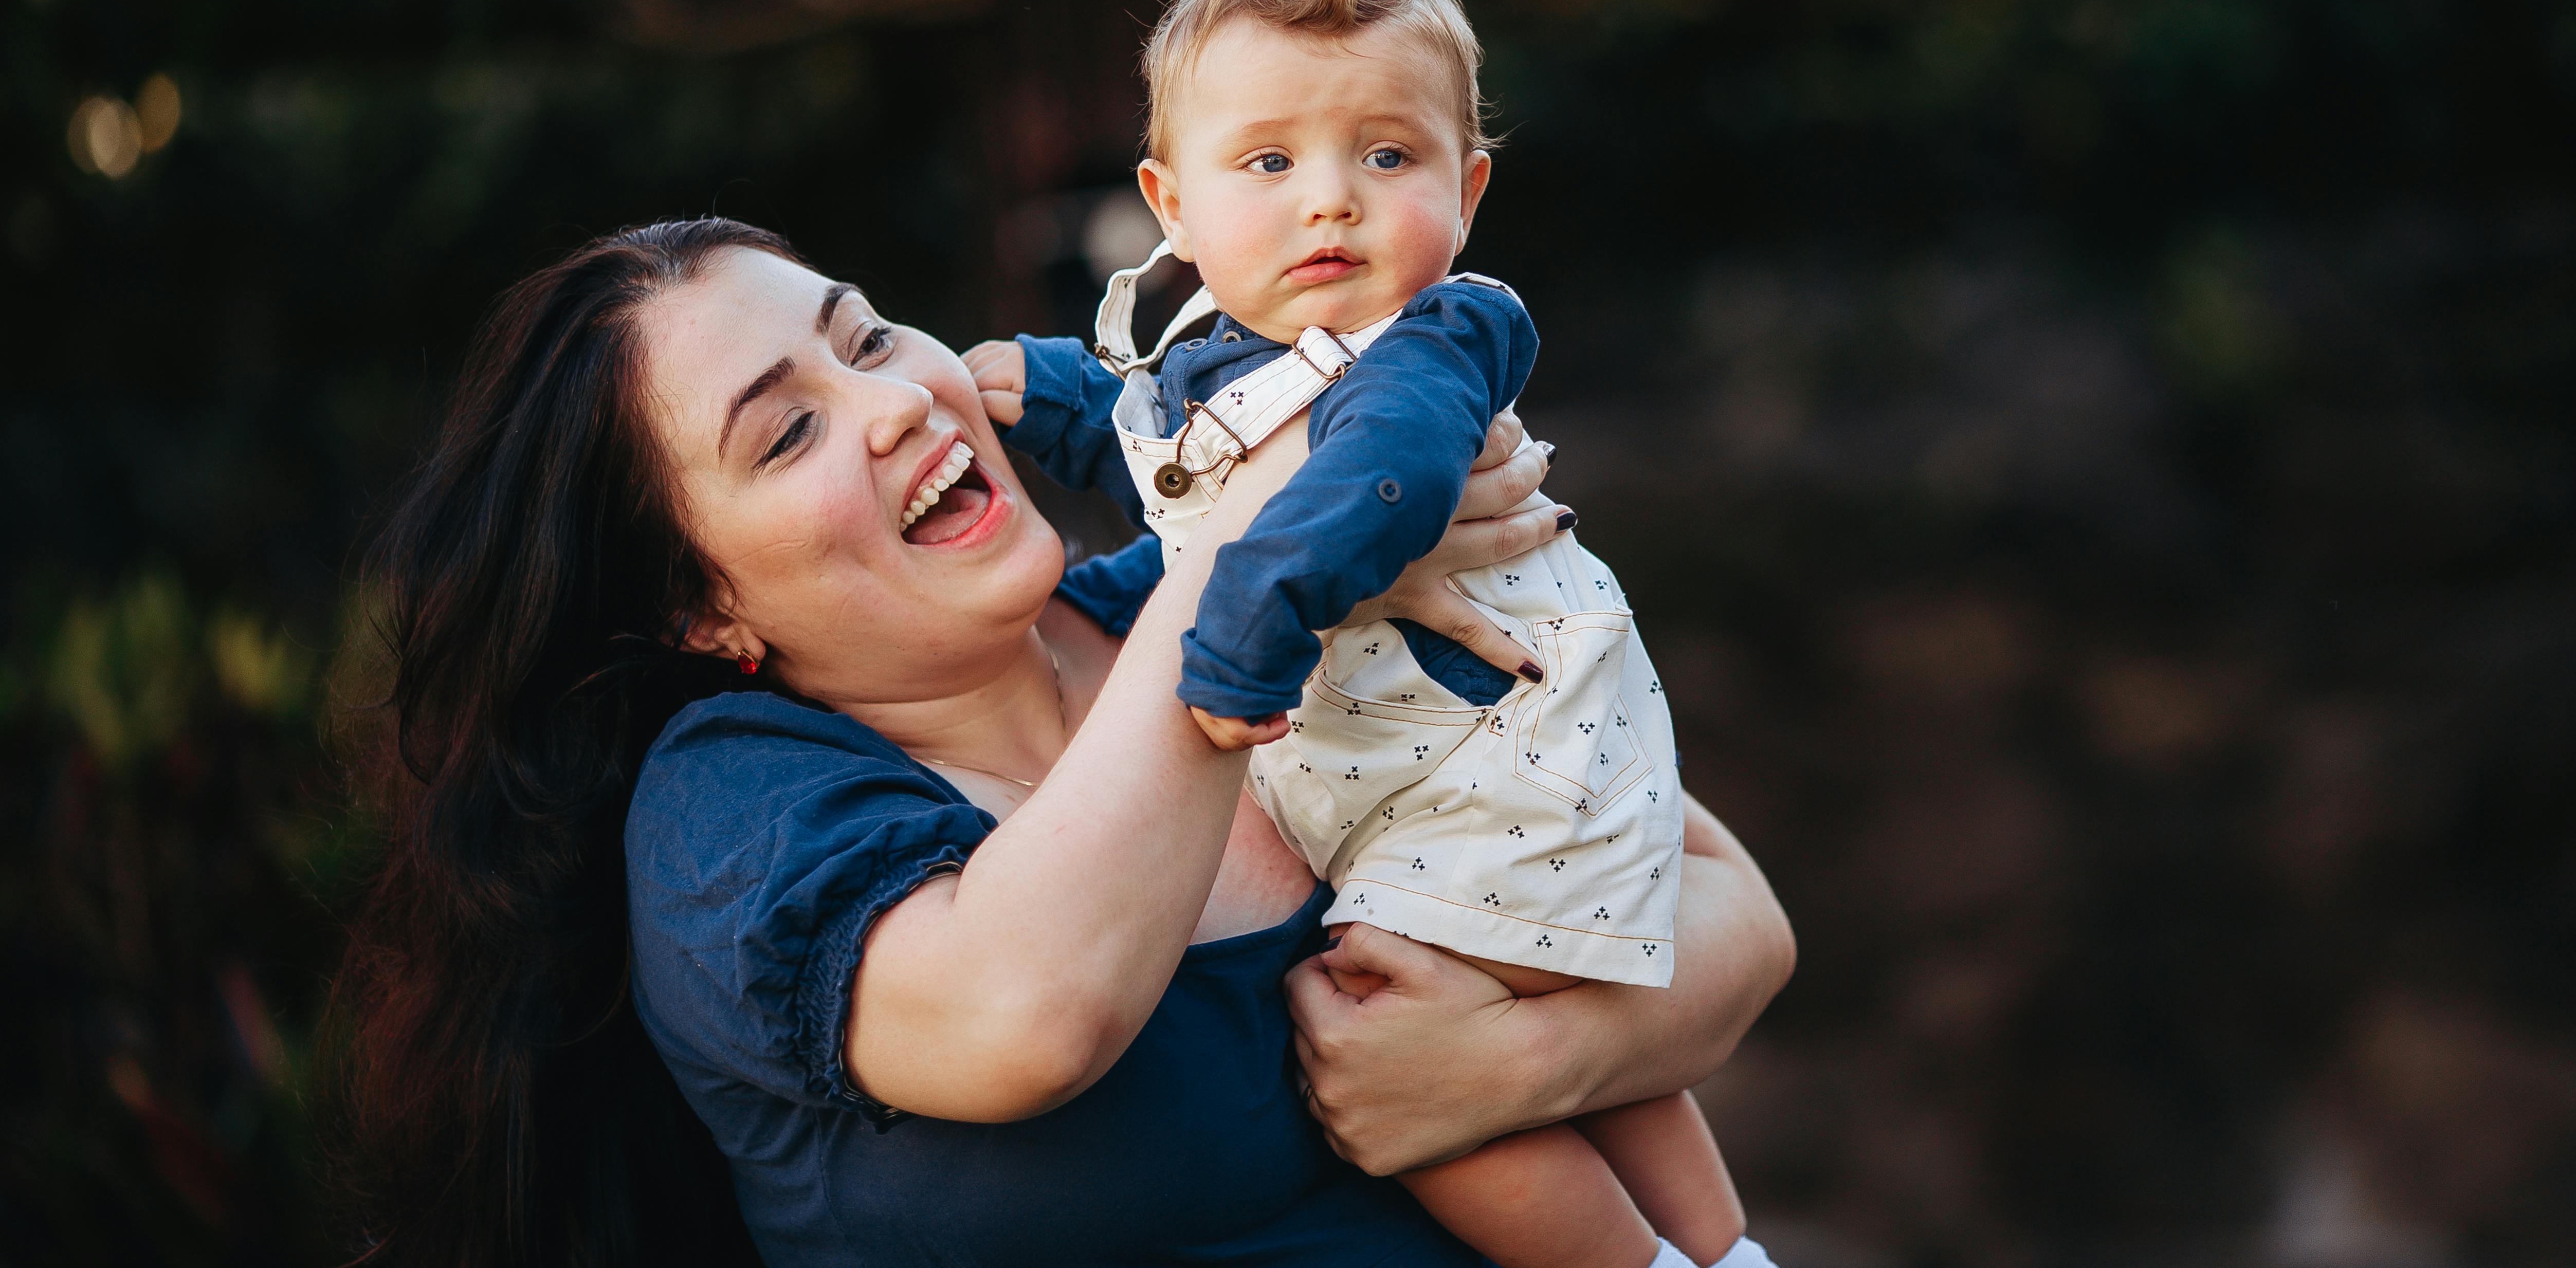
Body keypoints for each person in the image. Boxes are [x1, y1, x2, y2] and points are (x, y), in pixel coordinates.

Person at [326, 215, 1795, 1267]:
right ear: (699, 605)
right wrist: (1264, 544)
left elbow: (1726, 914)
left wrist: (1501, 1076)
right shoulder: (733, 811)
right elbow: (1024, 1013)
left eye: (868, 338)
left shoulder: (1190, 592)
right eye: (786, 435)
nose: (898, 403)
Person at [967, 0, 1755, 1268]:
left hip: (1488, 764)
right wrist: (1051, 394)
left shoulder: (1436, 340)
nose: (1328, 200)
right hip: (1440, 772)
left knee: (1407, 1063)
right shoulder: (1225, 354)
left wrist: (1237, 645)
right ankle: (1727, 1252)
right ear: (1170, 205)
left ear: (1469, 185)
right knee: (1550, 994)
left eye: (1387, 157)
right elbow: (1175, 458)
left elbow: (1365, 486)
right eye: (1267, 162)